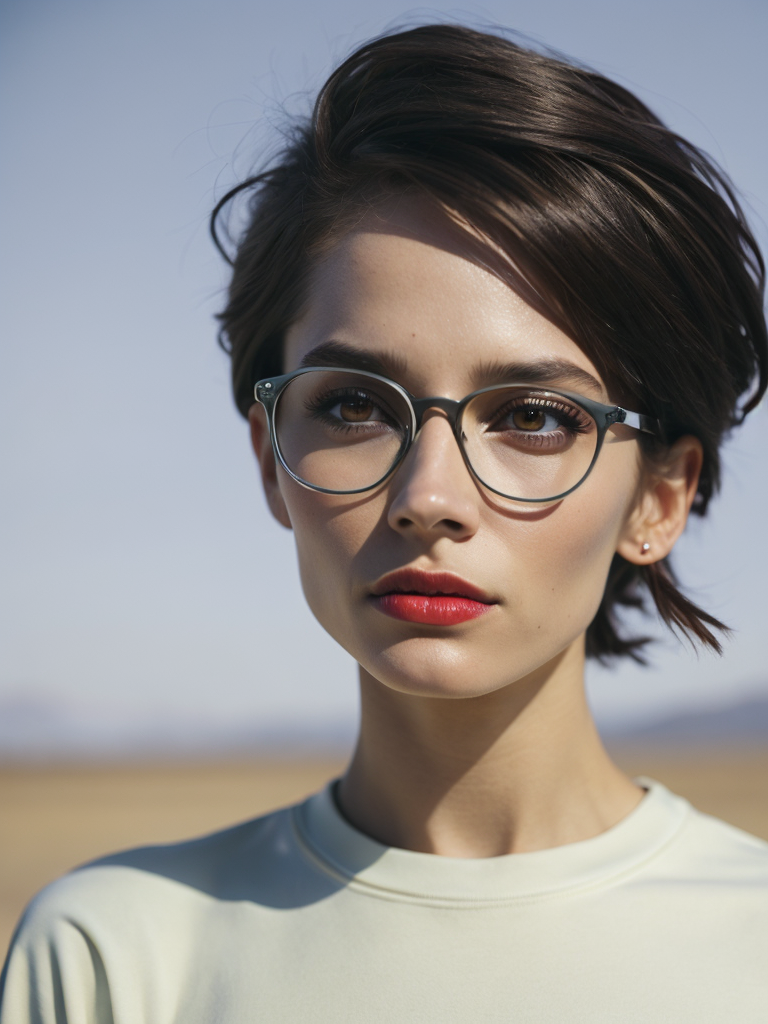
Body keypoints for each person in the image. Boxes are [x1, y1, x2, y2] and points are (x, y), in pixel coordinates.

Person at [2, 23, 767, 1023]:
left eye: (534, 417)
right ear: (269, 457)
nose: (429, 496)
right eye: (355, 406)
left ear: (659, 498)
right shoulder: (115, 957)